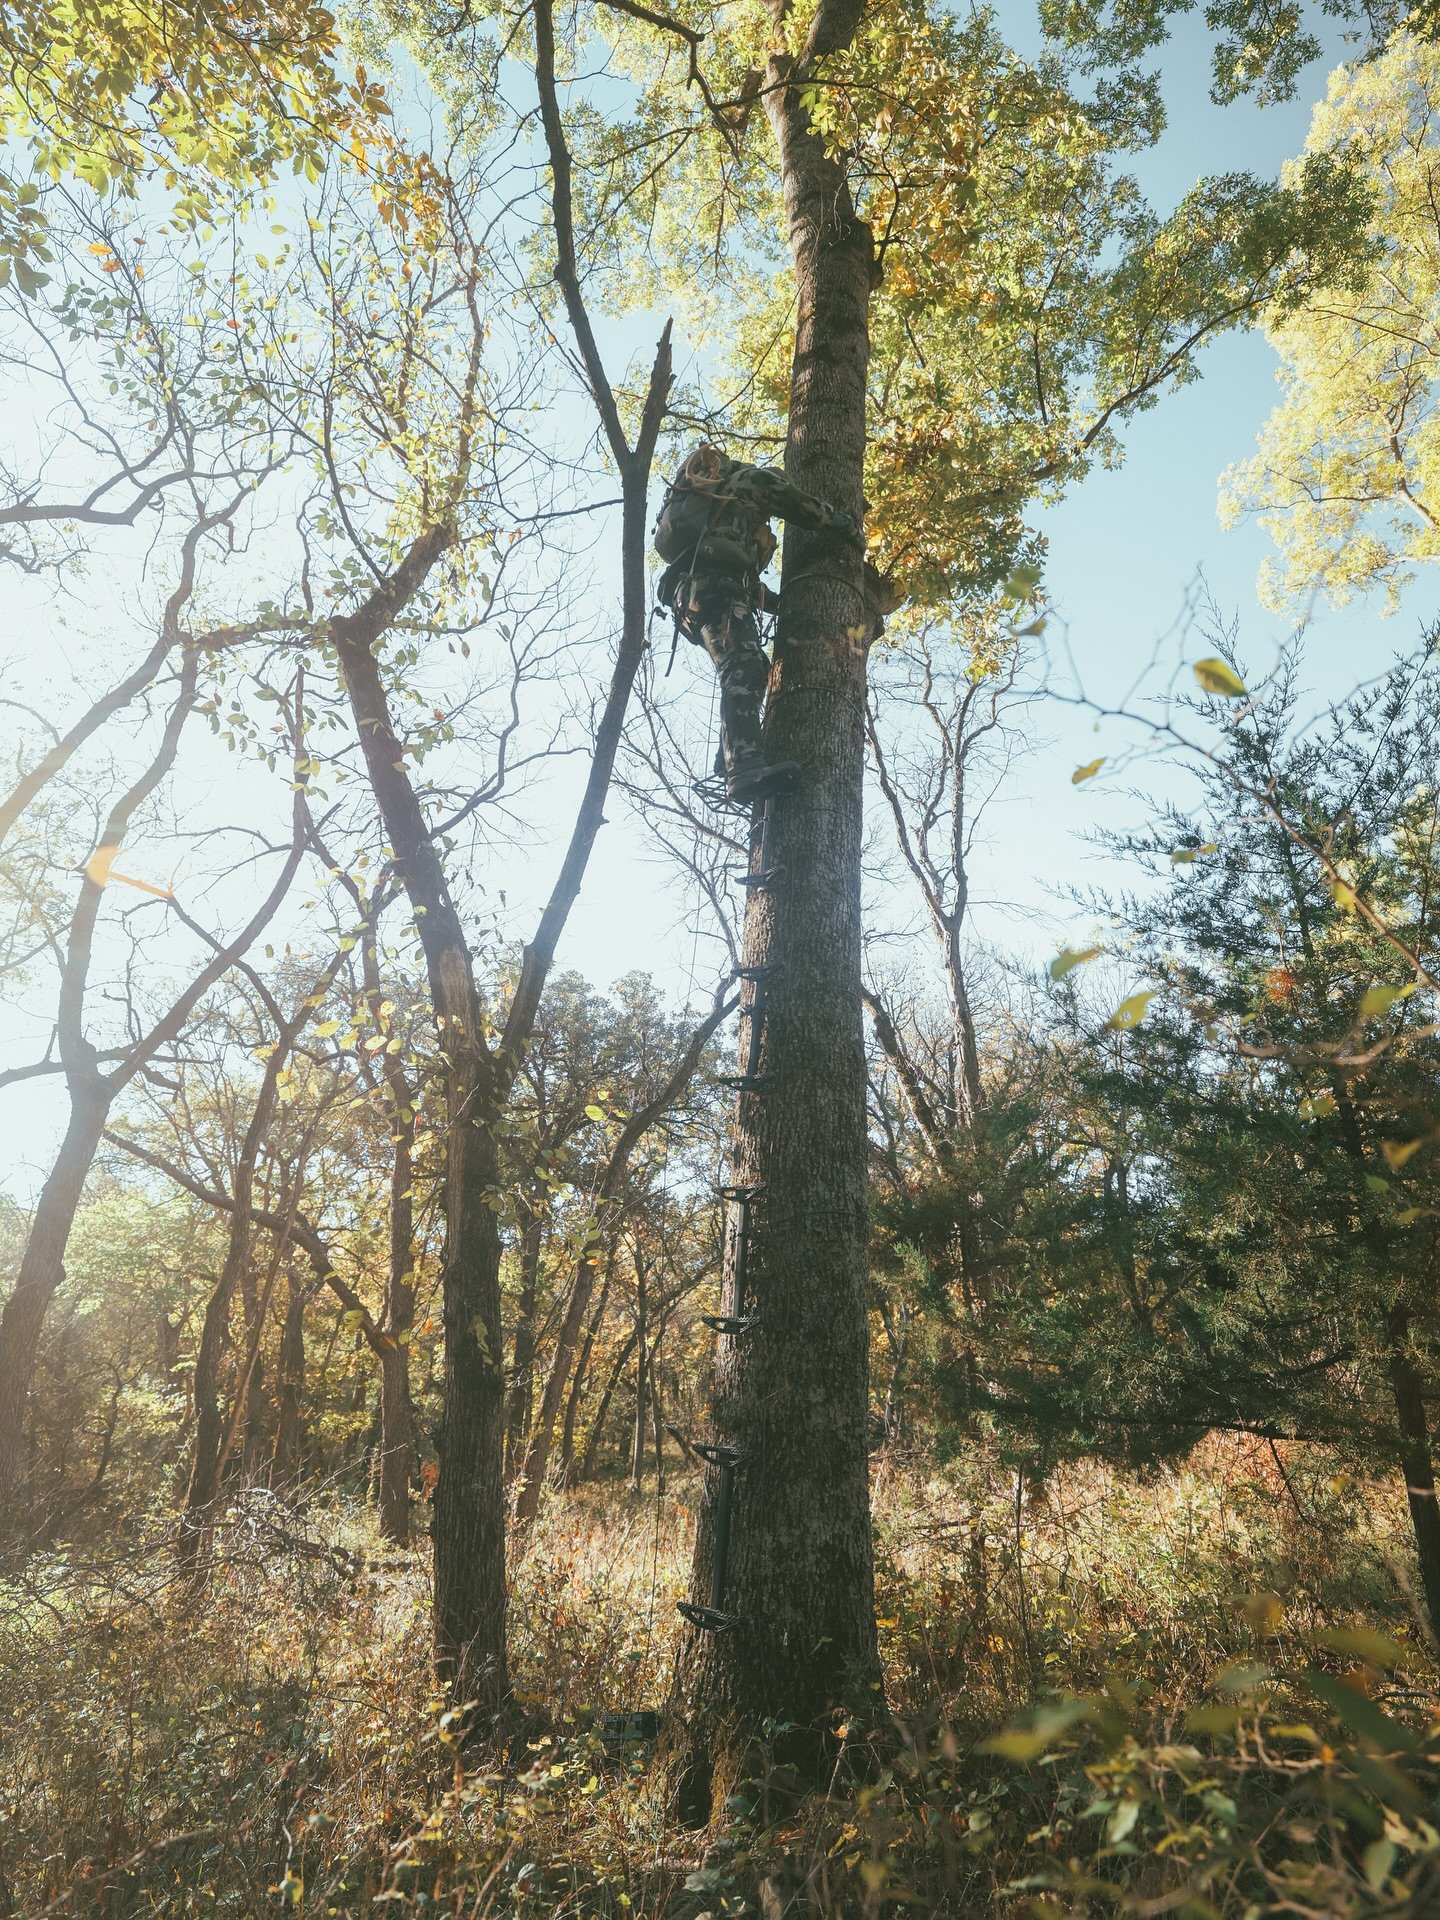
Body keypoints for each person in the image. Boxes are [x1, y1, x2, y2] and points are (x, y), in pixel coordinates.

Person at [653, 443, 857, 803]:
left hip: (695, 597)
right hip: (714, 590)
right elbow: (801, 506)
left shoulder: (718, 511)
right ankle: (744, 767)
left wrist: (784, 603)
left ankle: (730, 755)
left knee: (754, 665)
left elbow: (742, 578)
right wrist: (846, 526)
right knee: (743, 666)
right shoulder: (750, 480)